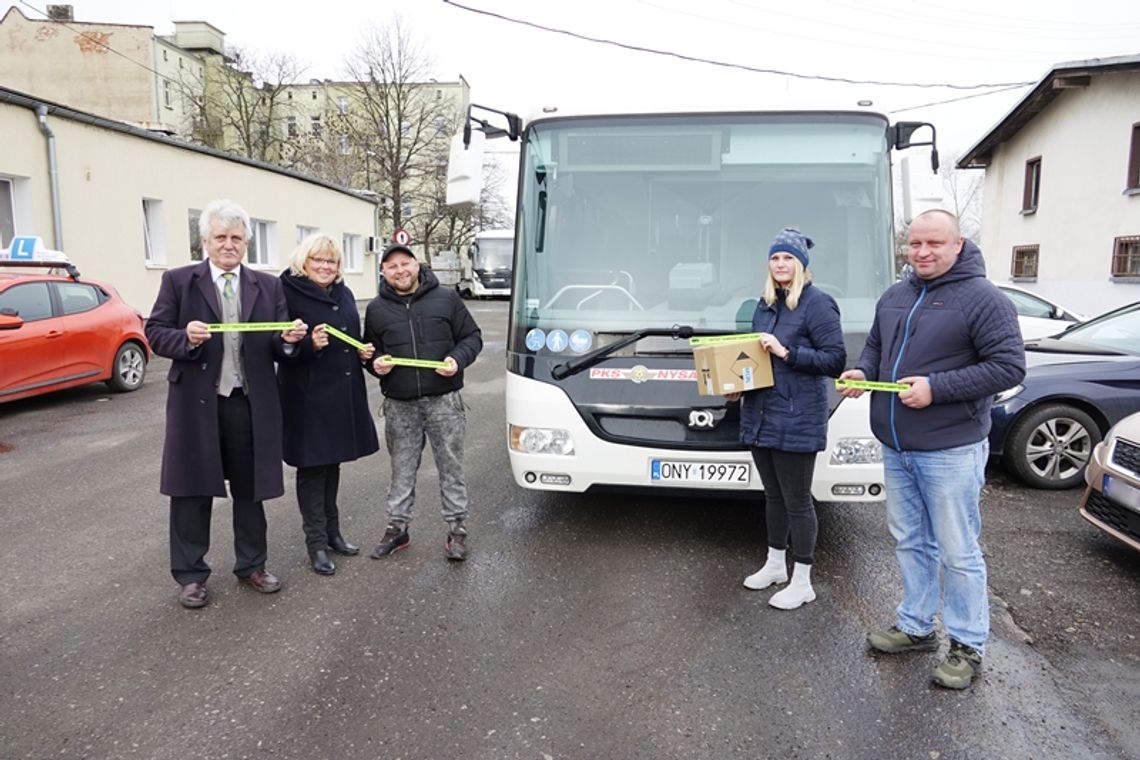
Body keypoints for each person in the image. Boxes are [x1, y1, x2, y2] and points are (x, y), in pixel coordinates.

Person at [838, 209, 1025, 690]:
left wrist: (936, 388)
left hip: (950, 449)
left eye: (933, 244)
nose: (922, 252)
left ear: (958, 244)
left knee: (959, 550)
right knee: (910, 540)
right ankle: (917, 626)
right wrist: (863, 372)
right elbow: (877, 349)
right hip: (897, 445)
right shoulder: (896, 295)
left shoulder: (984, 300)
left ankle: (967, 644)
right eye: (914, 243)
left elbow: (1008, 368)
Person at [146, 198, 308, 609]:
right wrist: (185, 338)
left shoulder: (268, 286)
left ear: (247, 242)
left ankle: (252, 564)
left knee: (251, 488)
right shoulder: (179, 281)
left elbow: (276, 342)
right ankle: (191, 575)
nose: (229, 244)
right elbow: (155, 331)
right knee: (190, 489)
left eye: (237, 237)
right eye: (221, 237)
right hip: (197, 404)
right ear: (205, 240)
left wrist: (288, 342)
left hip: (249, 402)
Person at [726, 228, 846, 610]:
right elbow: (755, 361)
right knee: (773, 496)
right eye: (775, 258)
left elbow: (834, 360)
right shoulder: (763, 305)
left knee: (798, 501)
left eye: (788, 259)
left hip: (797, 416)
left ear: (802, 265)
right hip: (761, 412)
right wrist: (739, 387)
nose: (780, 265)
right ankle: (776, 564)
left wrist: (787, 351)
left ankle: (803, 580)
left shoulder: (818, 304)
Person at [363, 243, 483, 561]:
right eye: (392, 266)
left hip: (444, 401)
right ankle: (397, 529)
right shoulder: (376, 309)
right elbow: (369, 350)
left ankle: (457, 531)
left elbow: (472, 337)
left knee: (451, 467)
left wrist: (457, 359)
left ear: (417, 265)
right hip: (400, 404)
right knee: (401, 469)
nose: (400, 270)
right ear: (383, 272)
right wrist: (374, 363)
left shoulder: (447, 298)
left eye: (405, 263)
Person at [278, 234, 380, 576]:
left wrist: (365, 351)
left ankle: (334, 533)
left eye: (331, 261)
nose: (325, 266)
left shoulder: (344, 292)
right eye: (318, 260)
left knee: (332, 464)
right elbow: (276, 345)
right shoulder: (286, 291)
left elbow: (353, 334)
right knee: (312, 468)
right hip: (307, 396)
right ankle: (316, 544)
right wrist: (309, 345)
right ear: (303, 261)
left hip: (342, 393)